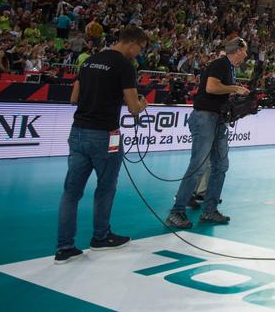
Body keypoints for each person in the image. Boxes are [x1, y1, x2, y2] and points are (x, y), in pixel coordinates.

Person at [55, 26, 149, 264]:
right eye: (140, 48)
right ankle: (101, 237)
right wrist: (143, 104)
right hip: (105, 135)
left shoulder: (90, 60)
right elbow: (133, 107)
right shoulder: (125, 66)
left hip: (78, 132)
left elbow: (74, 98)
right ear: (132, 43)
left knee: (71, 193)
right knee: (106, 188)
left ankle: (64, 248)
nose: (139, 53)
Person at [165, 38, 250, 229]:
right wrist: (235, 88)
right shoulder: (220, 64)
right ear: (237, 50)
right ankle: (177, 211)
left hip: (217, 119)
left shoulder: (229, 68)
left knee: (220, 165)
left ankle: (209, 210)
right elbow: (211, 87)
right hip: (205, 118)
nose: (246, 55)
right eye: (245, 51)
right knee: (199, 165)